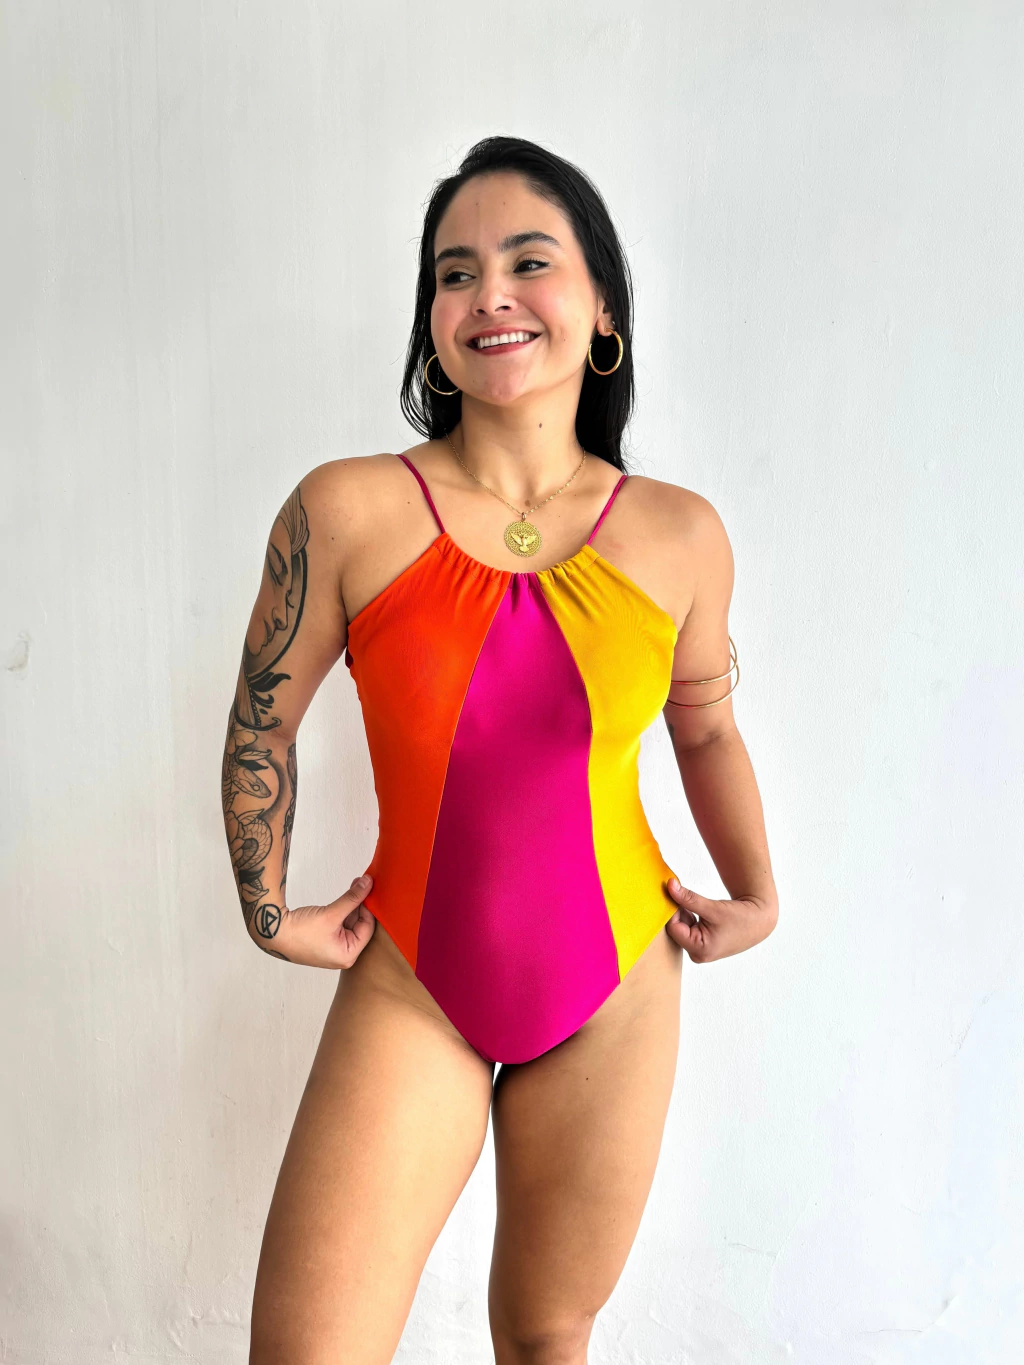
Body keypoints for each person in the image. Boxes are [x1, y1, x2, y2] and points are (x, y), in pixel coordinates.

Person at [222, 135, 778, 1365]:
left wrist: (757, 892)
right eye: (454, 273)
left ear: (602, 306)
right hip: (412, 980)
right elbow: (263, 715)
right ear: (432, 322)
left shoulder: (680, 534)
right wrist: (265, 907)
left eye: (529, 261)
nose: (490, 296)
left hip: (616, 984)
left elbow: (706, 727)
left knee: (544, 1337)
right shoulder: (346, 509)